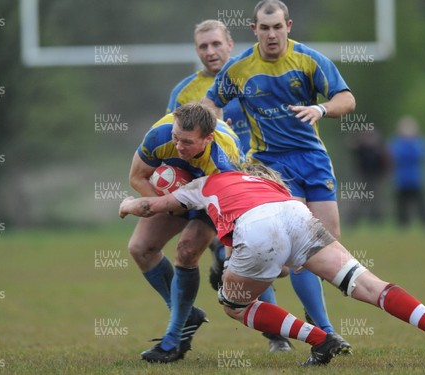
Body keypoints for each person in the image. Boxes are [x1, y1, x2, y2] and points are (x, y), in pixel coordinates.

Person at [119, 163, 425, 367]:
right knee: (369, 285)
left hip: (258, 228)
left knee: (232, 305)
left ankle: (322, 339)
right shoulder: (263, 179)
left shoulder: (198, 187)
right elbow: (282, 256)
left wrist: (128, 205)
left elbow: (154, 206)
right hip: (294, 214)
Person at [202, 0, 355, 349]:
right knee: (302, 244)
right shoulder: (239, 68)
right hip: (270, 164)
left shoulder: (309, 60)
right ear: (254, 30)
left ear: (288, 25)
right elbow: (213, 101)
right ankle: (320, 331)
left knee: (327, 241)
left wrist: (321, 107)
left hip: (312, 159)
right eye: (264, 28)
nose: (271, 34)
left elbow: (347, 99)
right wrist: (215, 124)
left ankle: (251, 271)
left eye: (277, 27)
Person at [165, 19, 292, 352]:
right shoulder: (183, 92)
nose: (210, 51)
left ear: (230, 44)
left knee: (259, 252)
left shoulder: (250, 77)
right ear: (196, 50)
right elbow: (173, 143)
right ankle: (177, 334)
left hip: (251, 183)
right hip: (205, 189)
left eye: (216, 44)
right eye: (203, 46)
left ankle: (279, 334)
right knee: (184, 250)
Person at [126, 102, 243, 363]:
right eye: (176, 138)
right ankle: (187, 315)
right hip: (177, 198)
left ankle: (172, 341)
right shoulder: (159, 135)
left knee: (187, 250)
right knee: (140, 248)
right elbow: (137, 177)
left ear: (208, 138)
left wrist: (230, 256)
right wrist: (171, 207)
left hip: (215, 197)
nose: (179, 146)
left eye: (187, 142)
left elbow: (229, 211)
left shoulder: (225, 161)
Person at [388, 116, 425, 229]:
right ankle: (403, 225)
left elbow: (420, 154)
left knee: (421, 204)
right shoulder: (396, 142)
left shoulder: (419, 142)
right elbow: (393, 155)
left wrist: (408, 150)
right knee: (401, 205)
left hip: (415, 179)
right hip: (401, 179)